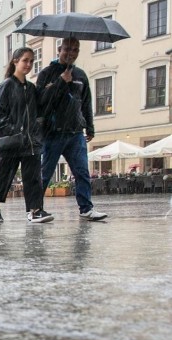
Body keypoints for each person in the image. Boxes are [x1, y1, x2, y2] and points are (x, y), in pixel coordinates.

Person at [37, 37, 107, 221]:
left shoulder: (81, 75)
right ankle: (35, 209)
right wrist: (60, 81)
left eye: (75, 50)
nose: (71, 53)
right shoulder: (47, 73)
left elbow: (86, 102)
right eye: (67, 49)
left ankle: (86, 208)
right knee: (45, 173)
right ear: (59, 49)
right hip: (53, 132)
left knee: (82, 172)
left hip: (75, 131)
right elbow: (41, 101)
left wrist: (89, 126)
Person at [0, 47, 52, 223]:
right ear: (15, 61)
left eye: (31, 61)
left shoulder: (31, 88)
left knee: (33, 177)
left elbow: (39, 112)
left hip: (31, 141)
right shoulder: (6, 86)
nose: (29, 64)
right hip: (12, 140)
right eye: (25, 60)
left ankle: (35, 211)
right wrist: (15, 131)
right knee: (4, 174)